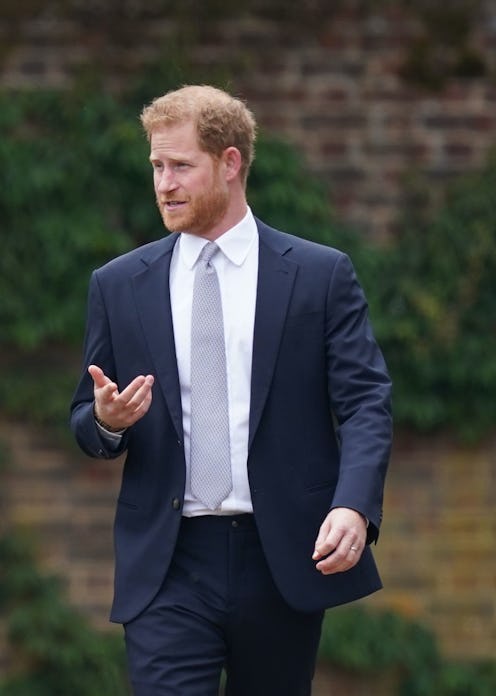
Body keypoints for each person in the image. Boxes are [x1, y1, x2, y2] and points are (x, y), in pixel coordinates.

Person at [70, 84, 392, 696]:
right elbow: (85, 420)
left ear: (230, 163)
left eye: (181, 166)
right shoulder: (118, 285)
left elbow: (365, 401)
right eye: (157, 167)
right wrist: (108, 420)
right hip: (167, 563)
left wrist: (353, 504)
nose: (164, 183)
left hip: (282, 558)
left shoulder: (320, 276)